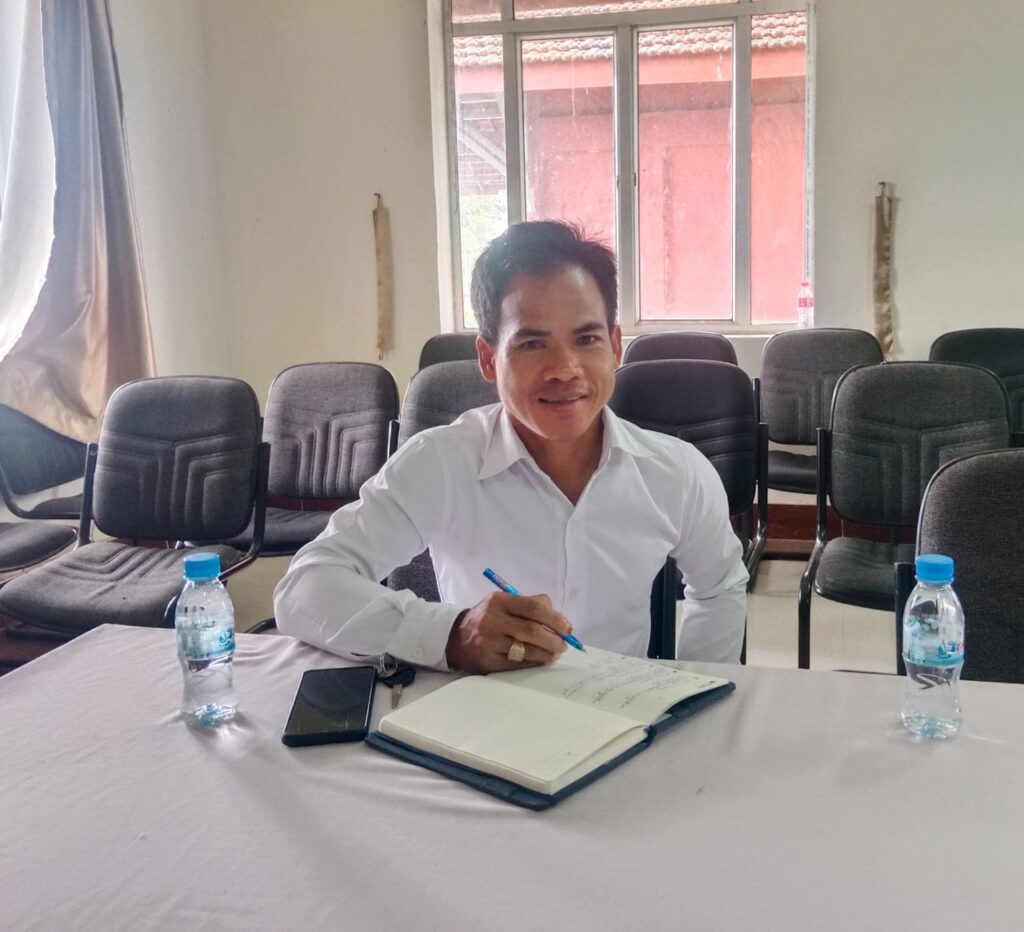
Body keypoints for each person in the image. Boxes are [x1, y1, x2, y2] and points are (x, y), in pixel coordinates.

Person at [274, 221, 747, 673]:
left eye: (587, 339)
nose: (565, 369)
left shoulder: (677, 472)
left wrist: (697, 688)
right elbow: (305, 586)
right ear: (488, 358)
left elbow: (720, 588)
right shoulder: (441, 463)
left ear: (615, 346)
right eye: (532, 344)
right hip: (481, 711)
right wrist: (450, 634)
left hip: (625, 714)